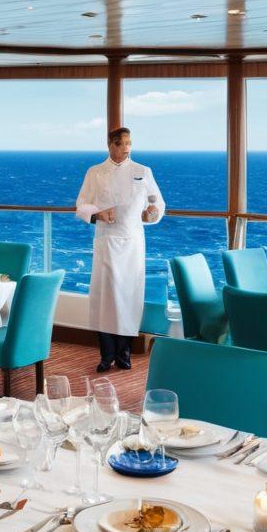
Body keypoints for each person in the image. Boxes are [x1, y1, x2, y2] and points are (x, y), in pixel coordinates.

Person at [75, 127, 165, 372]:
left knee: (128, 297)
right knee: (105, 299)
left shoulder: (142, 171)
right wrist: (99, 213)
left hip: (133, 242)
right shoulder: (95, 173)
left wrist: (153, 213)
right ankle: (106, 355)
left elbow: (157, 202)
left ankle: (124, 354)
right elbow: (81, 205)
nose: (126, 148)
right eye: (120, 143)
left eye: (129, 143)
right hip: (106, 240)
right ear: (110, 145)